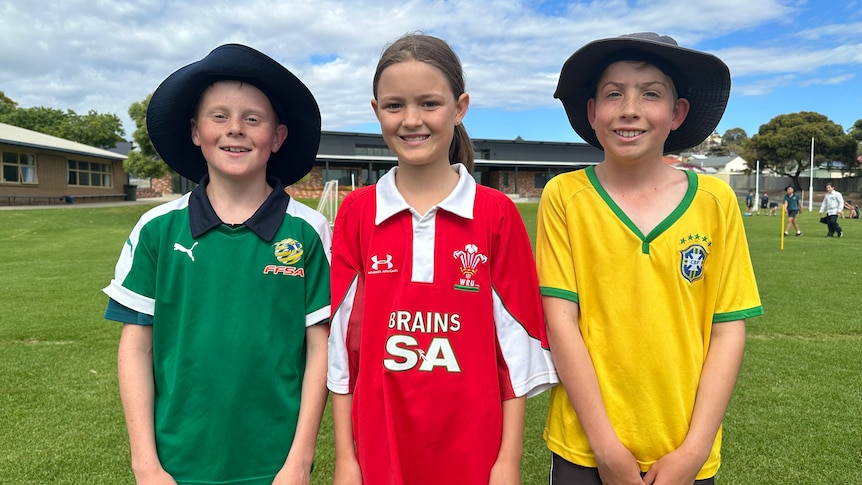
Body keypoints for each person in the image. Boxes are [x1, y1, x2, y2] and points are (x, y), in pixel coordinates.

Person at [327, 33, 557, 485]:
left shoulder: (496, 214)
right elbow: (341, 348)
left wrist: (507, 463)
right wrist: (346, 459)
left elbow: (515, 348)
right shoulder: (357, 212)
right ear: (376, 112)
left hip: (473, 451)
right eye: (394, 106)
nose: (411, 120)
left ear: (460, 107)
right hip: (379, 451)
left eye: (429, 103)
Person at [538, 32, 763, 485]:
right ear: (592, 112)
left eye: (650, 94)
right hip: (584, 447)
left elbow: (728, 330)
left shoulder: (715, 200)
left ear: (677, 112)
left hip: (683, 451)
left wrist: (696, 449)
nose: (629, 108)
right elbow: (561, 322)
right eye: (613, 93)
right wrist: (606, 449)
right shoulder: (564, 196)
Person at [102, 44, 331, 485]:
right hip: (175, 464)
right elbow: (136, 347)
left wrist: (299, 461)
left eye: (253, 118)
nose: (235, 130)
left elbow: (320, 348)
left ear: (278, 136)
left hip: (274, 465)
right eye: (219, 116)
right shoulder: (156, 229)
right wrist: (146, 465)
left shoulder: (309, 232)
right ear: (195, 130)